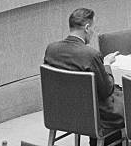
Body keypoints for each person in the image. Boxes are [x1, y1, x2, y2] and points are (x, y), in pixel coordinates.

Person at [44, 8, 124, 146]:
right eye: (93, 28)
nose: (93, 32)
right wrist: (106, 64)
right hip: (93, 118)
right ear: (87, 28)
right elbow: (106, 90)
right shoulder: (90, 55)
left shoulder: (51, 50)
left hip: (60, 113)